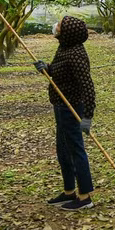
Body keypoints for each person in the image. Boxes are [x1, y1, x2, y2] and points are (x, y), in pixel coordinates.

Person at [34, 16, 97, 210]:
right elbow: (61, 71)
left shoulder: (76, 54)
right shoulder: (65, 48)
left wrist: (87, 116)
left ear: (67, 31)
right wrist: (47, 68)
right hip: (60, 106)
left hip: (71, 108)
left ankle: (85, 196)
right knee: (63, 150)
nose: (56, 27)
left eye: (60, 25)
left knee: (75, 150)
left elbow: (88, 86)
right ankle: (69, 191)